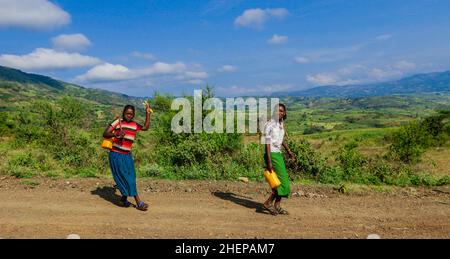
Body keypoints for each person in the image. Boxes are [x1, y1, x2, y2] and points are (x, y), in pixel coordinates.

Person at [103, 103, 152, 211]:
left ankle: (124, 199)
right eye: (127, 113)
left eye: (131, 114)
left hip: (127, 156)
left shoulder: (134, 125)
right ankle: (139, 202)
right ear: (123, 113)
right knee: (127, 178)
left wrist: (148, 113)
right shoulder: (117, 122)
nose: (129, 115)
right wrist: (115, 135)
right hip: (116, 155)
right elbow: (105, 133)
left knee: (131, 177)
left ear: (133, 115)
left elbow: (145, 127)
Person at [263, 103, 295, 215]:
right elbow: (266, 144)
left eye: (281, 111)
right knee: (282, 182)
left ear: (284, 113)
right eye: (277, 110)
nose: (279, 113)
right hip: (272, 154)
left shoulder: (281, 123)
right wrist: (269, 161)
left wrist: (288, 151)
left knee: (283, 182)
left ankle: (277, 205)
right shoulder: (269, 124)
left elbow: (281, 140)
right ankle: (268, 203)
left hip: (278, 154)